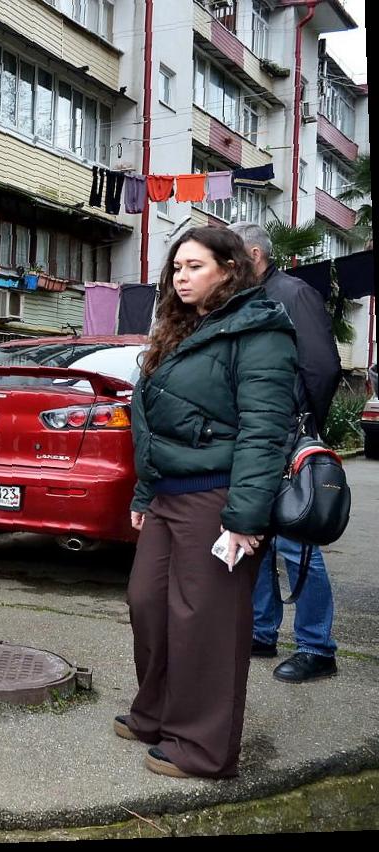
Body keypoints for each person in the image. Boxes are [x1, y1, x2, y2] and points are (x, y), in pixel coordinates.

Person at [122, 226, 297, 779]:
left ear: (230, 267)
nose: (182, 277)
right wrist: (145, 490)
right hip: (168, 496)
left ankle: (203, 748)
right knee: (146, 603)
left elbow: (264, 429)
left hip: (217, 498)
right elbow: (150, 420)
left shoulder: (260, 329)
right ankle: (157, 713)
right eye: (177, 268)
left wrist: (245, 519)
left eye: (195, 266)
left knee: (207, 622)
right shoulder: (179, 328)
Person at [230, 222, 342, 684]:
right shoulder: (246, 298)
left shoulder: (293, 293)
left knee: (299, 543)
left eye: (231, 257)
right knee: (256, 537)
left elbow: (323, 367)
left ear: (254, 254)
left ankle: (318, 647)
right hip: (255, 435)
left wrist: (303, 427)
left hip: (289, 437)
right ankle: (262, 632)